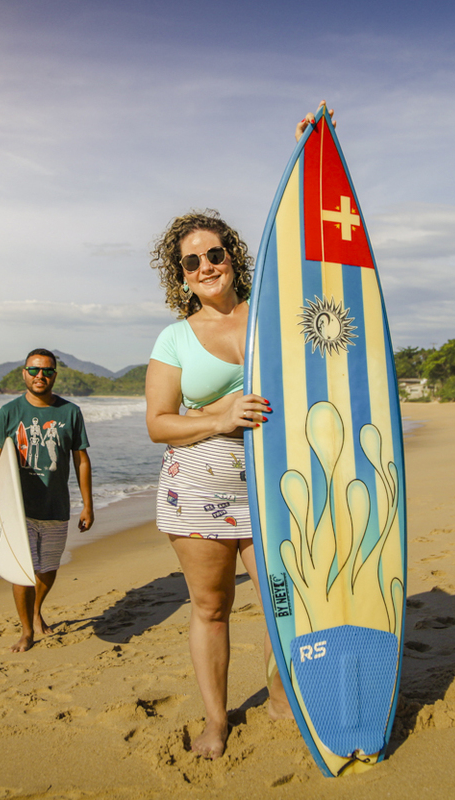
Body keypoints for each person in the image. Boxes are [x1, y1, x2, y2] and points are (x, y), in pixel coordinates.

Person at [145, 210, 293, 760]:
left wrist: (316, 141)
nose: (206, 265)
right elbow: (159, 423)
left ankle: (280, 697)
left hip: (272, 477)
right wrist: (219, 415)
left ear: (233, 257)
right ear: (182, 277)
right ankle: (216, 722)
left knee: (286, 598)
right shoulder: (176, 338)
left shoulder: (271, 316)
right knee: (212, 607)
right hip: (200, 482)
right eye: (192, 261)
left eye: (215, 253)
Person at [0, 348, 94, 652]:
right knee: (22, 571)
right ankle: (27, 630)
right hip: (17, 509)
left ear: (55, 375)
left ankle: (37, 609)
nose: (41, 376)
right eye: (35, 370)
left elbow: (81, 460)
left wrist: (88, 504)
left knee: (48, 570)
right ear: (24, 373)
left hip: (56, 506)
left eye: (48, 371)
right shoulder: (10, 412)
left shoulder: (70, 413)